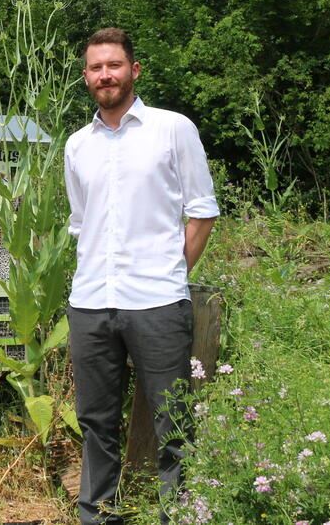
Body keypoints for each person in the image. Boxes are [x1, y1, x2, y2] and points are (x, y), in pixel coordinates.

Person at [64, 28, 218, 524]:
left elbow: (202, 213)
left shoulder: (173, 129)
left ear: (134, 70)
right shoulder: (77, 145)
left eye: (113, 64)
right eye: (95, 67)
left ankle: (177, 514)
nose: (104, 74)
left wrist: (171, 273)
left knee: (172, 419)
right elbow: (82, 223)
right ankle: (99, 516)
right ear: (86, 76)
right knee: (96, 422)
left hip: (156, 301)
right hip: (90, 303)